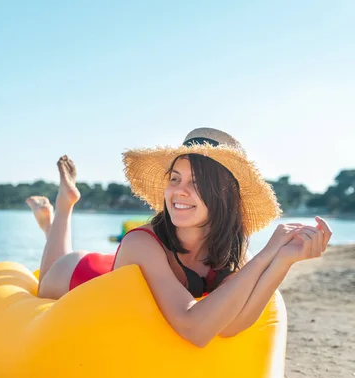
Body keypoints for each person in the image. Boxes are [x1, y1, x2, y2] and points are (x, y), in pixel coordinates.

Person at [26, 127, 332, 346]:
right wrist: (267, 254)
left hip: (144, 271)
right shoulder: (140, 242)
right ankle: (62, 209)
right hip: (81, 276)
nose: (179, 191)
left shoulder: (230, 252)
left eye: (196, 182)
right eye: (175, 179)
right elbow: (194, 330)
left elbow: (230, 326)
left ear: (224, 196)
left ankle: (53, 219)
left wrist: (283, 260)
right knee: (44, 281)